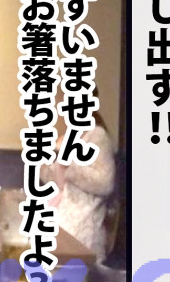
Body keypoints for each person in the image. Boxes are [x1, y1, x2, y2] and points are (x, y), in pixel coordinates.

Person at [41, 99, 116, 261]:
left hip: (83, 225)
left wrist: (70, 163)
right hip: (60, 217)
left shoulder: (97, 135)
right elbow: (58, 183)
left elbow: (105, 183)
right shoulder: (71, 136)